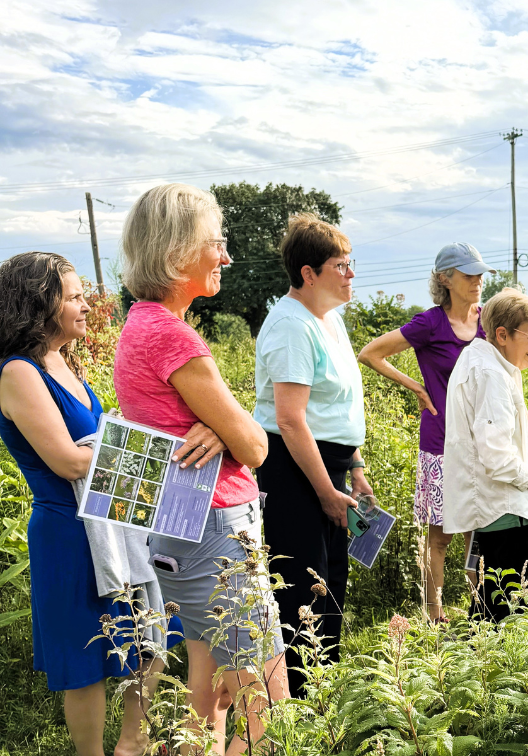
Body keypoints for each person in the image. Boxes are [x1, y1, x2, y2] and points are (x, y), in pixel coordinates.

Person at [114, 183, 288, 753]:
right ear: (174, 252)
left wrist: (224, 427)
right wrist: (233, 429)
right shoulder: (171, 333)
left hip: (178, 520)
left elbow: (219, 428)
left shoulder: (140, 324)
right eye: (216, 242)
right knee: (263, 699)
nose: (227, 256)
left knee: (207, 685)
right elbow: (257, 447)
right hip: (215, 522)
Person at [0, 253, 157, 756]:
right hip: (67, 531)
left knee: (148, 637)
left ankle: (130, 747)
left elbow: (93, 445)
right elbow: (68, 461)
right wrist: (140, 448)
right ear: (39, 304)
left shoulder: (62, 361)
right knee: (84, 660)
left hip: (107, 519)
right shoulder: (17, 372)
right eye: (74, 296)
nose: (86, 305)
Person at [253, 214, 370, 697]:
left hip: (329, 466)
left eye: (350, 263)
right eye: (341, 265)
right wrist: (325, 490)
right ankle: (299, 699)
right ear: (308, 273)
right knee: (304, 586)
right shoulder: (290, 326)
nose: (351, 274)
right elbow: (290, 419)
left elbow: (338, 403)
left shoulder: (331, 320)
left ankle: (323, 685)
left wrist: (355, 467)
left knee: (331, 580)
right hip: (294, 469)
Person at [358, 242, 494, 621]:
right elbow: (370, 353)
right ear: (445, 279)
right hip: (440, 442)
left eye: (480, 274)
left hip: (482, 442)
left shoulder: (488, 320)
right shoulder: (429, 324)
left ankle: (479, 611)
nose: (478, 281)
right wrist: (416, 388)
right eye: (469, 275)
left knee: (477, 530)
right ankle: (433, 616)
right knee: (441, 535)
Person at [441, 289, 528, 621]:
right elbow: (495, 452)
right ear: (502, 335)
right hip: (507, 513)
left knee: (487, 609)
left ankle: (478, 671)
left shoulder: (482, 361)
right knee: (515, 614)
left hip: (492, 513)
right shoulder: (492, 374)